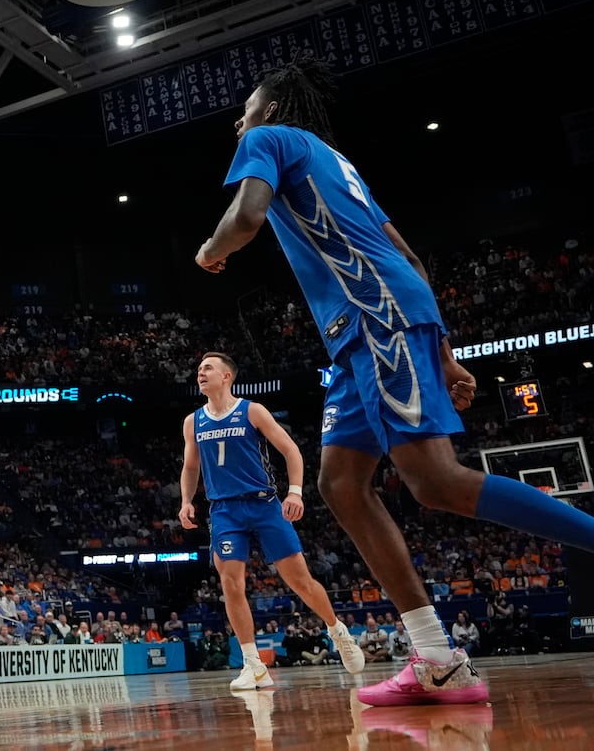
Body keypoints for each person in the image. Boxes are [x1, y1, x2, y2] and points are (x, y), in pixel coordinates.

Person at [196, 54, 594, 707]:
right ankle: (436, 656)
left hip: (376, 316)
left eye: (245, 108)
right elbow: (406, 252)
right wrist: (442, 351)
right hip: (371, 327)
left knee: (435, 480)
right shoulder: (335, 161)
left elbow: (246, 214)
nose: (238, 119)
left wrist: (212, 249)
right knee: (341, 482)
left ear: (268, 111)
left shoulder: (267, 139)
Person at [178, 352, 363, 691]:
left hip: (264, 504)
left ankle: (338, 632)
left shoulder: (252, 410)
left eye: (207, 368)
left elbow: (291, 450)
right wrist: (187, 501)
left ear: (227, 376)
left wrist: (295, 493)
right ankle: (254, 666)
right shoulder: (193, 421)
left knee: (300, 581)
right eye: (199, 369)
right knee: (230, 582)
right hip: (224, 510)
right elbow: (191, 467)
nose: (200, 373)